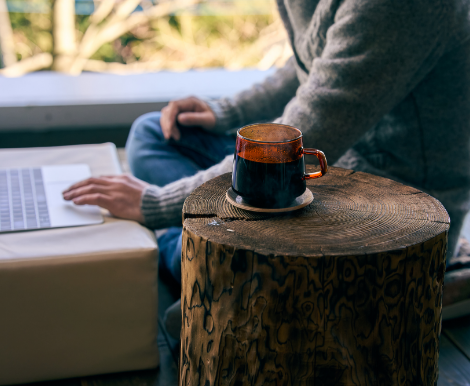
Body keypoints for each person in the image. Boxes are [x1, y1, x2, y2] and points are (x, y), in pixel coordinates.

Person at [63, 0, 470, 306]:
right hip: (328, 158)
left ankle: (204, 266)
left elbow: (310, 129)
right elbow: (313, 64)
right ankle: (201, 259)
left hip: (387, 201)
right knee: (154, 132)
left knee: (186, 230)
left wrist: (155, 204)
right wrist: (226, 112)